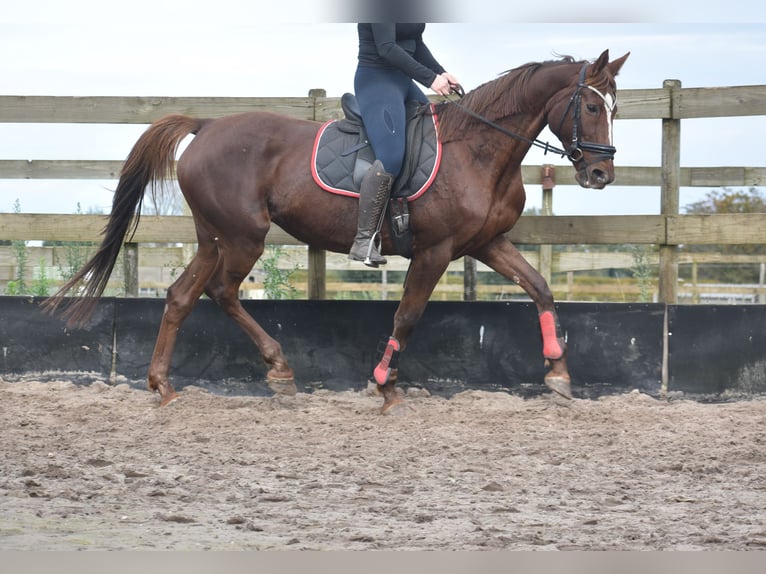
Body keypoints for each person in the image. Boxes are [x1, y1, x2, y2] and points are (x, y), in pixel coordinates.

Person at [349, 23, 460, 267]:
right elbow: (387, 47)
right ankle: (364, 240)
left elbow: (415, 44)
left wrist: (441, 72)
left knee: (431, 135)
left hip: (403, 81)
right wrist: (431, 79)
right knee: (391, 156)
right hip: (376, 78)